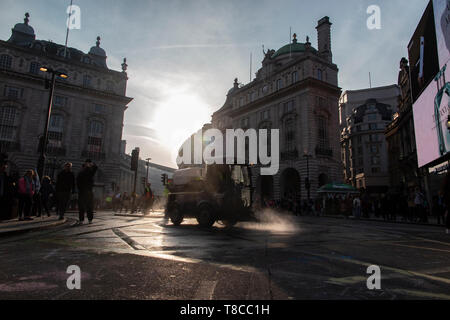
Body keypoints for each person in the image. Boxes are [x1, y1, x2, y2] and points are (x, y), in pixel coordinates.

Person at [76, 159, 98, 224]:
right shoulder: (81, 172)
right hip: (82, 191)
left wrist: (92, 164)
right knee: (81, 206)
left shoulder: (91, 171)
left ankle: (90, 219)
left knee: (89, 206)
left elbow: (95, 168)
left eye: (89, 163)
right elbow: (78, 181)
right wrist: (79, 189)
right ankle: (81, 219)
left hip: (88, 191)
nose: (87, 165)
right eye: (86, 164)